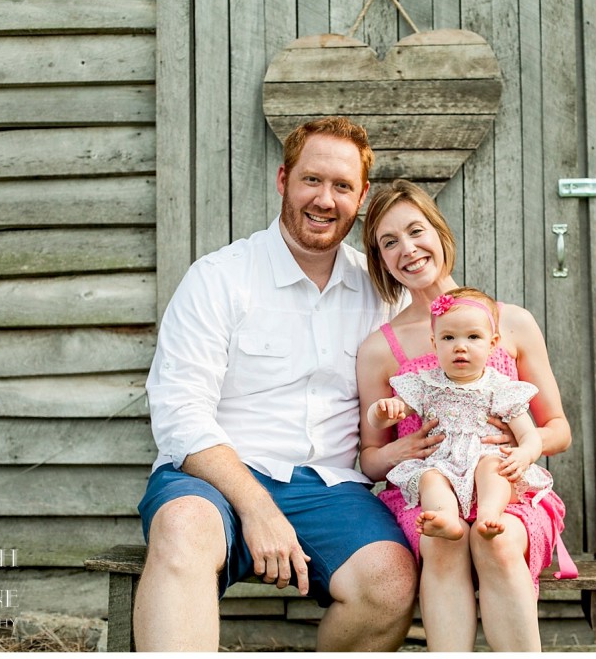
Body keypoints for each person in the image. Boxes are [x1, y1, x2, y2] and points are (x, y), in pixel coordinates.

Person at [135, 117, 418, 652]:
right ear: (283, 179)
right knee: (184, 527)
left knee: (391, 577)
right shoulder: (219, 278)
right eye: (313, 180)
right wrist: (257, 506)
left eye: (342, 187)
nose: (325, 199)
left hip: (332, 488)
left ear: (360, 200)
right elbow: (180, 413)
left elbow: (436, 362)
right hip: (214, 478)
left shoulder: (382, 292)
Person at [356, 179, 575, 652]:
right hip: (430, 496)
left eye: (416, 231)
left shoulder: (508, 322)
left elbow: (558, 429)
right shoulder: (380, 348)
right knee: (442, 538)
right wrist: (398, 449)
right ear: (379, 259)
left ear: (439, 232)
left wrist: (522, 445)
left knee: (494, 541)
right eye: (389, 242)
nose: (407, 250)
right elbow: (370, 460)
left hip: (506, 492)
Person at [367, 288, 555, 541]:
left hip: (487, 470)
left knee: (492, 466)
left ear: (492, 344)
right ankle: (446, 517)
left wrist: (524, 454)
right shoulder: (425, 384)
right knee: (430, 477)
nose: (460, 347)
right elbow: (382, 421)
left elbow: (529, 436)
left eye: (473, 337)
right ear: (435, 344)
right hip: (443, 466)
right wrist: (381, 412)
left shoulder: (500, 388)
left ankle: (490, 513)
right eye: (449, 338)